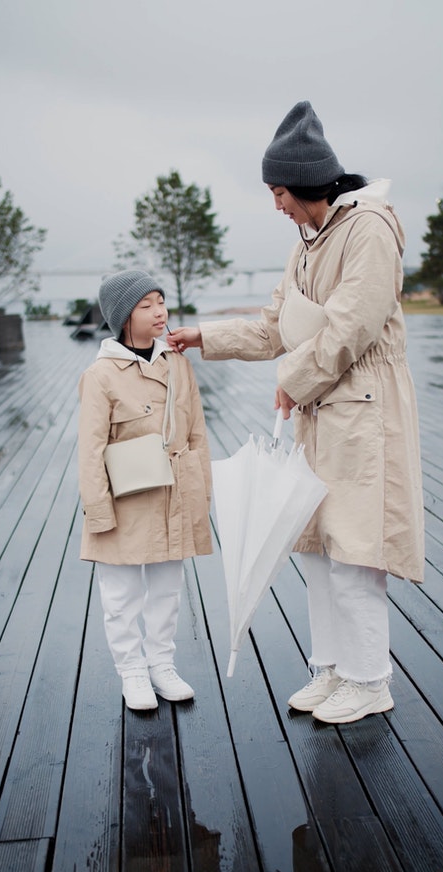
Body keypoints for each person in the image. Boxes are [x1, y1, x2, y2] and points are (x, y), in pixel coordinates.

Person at [169, 101, 425, 725]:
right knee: (315, 548)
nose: (275, 205)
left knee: (355, 552)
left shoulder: (369, 229)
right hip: (321, 417)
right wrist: (202, 337)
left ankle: (370, 680)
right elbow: (274, 328)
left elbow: (349, 328)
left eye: (278, 191)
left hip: (365, 413)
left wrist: (292, 378)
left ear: (306, 184)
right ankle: (333, 670)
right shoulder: (305, 244)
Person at [78, 269, 212, 711]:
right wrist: (99, 513)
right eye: (146, 305)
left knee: (168, 591)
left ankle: (161, 664)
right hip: (125, 499)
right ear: (122, 317)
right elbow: (90, 450)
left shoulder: (178, 364)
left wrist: (200, 495)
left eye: (161, 301)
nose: (160, 312)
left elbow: (196, 434)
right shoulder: (101, 375)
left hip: (172, 495)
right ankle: (132, 671)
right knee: (121, 596)